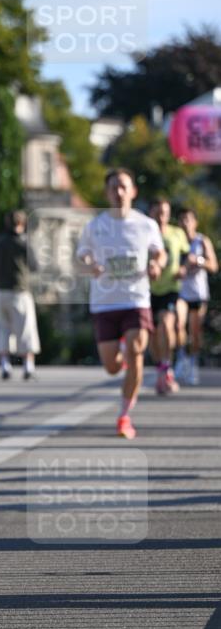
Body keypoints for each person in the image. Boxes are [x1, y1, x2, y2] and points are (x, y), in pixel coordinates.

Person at [76, 168, 166, 440]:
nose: (119, 192)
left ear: (133, 191)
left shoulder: (146, 224)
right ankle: (123, 355)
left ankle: (124, 416)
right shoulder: (94, 226)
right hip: (104, 302)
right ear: (107, 192)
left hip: (136, 299)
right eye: (114, 187)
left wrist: (156, 265)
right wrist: (89, 264)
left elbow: (160, 253)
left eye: (124, 186)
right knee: (112, 367)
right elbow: (81, 256)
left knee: (137, 350)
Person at [0, 209, 40, 380]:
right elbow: (35, 266)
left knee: (3, 329)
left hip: (0, 291)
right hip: (19, 291)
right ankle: (28, 366)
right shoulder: (23, 243)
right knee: (25, 329)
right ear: (22, 223)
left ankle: (5, 365)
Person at [148, 198, 190, 394]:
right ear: (151, 214)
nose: (161, 217)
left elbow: (186, 255)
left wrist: (183, 268)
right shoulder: (144, 232)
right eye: (157, 213)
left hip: (171, 288)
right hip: (147, 289)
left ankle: (167, 368)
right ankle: (159, 369)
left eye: (164, 213)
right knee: (152, 333)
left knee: (166, 324)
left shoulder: (176, 233)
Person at [175, 208, 218, 385]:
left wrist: (198, 260)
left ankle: (192, 363)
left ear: (195, 222)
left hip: (198, 293)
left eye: (188, 220)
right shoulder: (175, 241)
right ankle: (181, 358)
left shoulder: (202, 241)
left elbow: (214, 266)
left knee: (195, 332)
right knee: (178, 325)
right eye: (182, 220)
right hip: (179, 292)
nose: (185, 223)